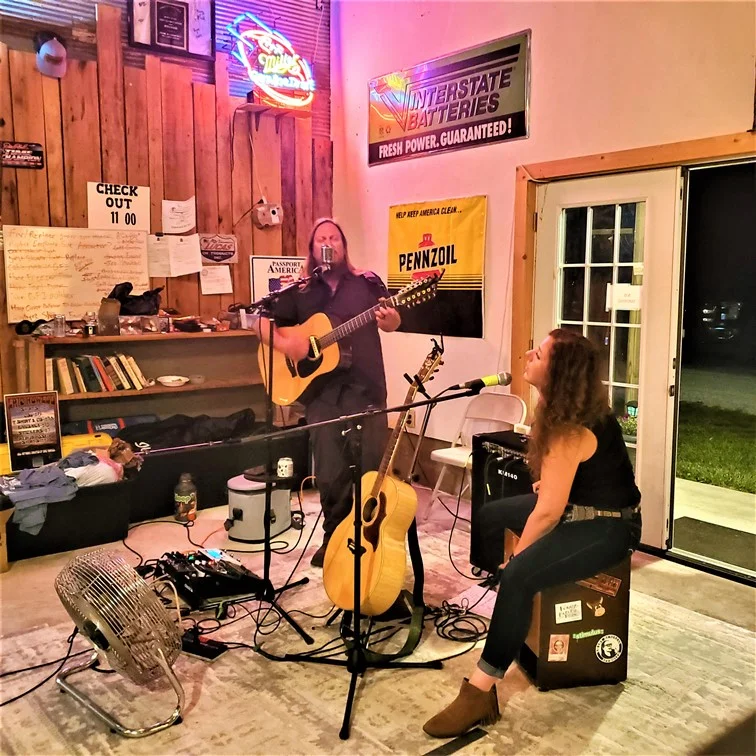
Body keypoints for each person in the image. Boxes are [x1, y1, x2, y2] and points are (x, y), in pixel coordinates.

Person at [423, 328, 642, 738]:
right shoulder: (565, 411)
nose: (527, 354)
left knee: (520, 575)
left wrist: (519, 557)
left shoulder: (573, 426)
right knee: (492, 513)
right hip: (581, 508)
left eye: (538, 354)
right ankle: (510, 604)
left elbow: (546, 515)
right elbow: (585, 476)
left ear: (558, 373)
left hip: (610, 525)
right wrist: (558, 486)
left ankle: (480, 691)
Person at [259, 218, 401, 567]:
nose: (328, 243)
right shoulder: (300, 291)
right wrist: (287, 344)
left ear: (344, 245)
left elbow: (394, 319)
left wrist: (392, 321)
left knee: (371, 471)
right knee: (330, 471)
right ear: (311, 249)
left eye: (334, 237)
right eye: (321, 238)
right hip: (321, 393)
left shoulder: (367, 283)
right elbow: (260, 322)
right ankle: (333, 538)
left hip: (367, 389)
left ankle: (368, 541)